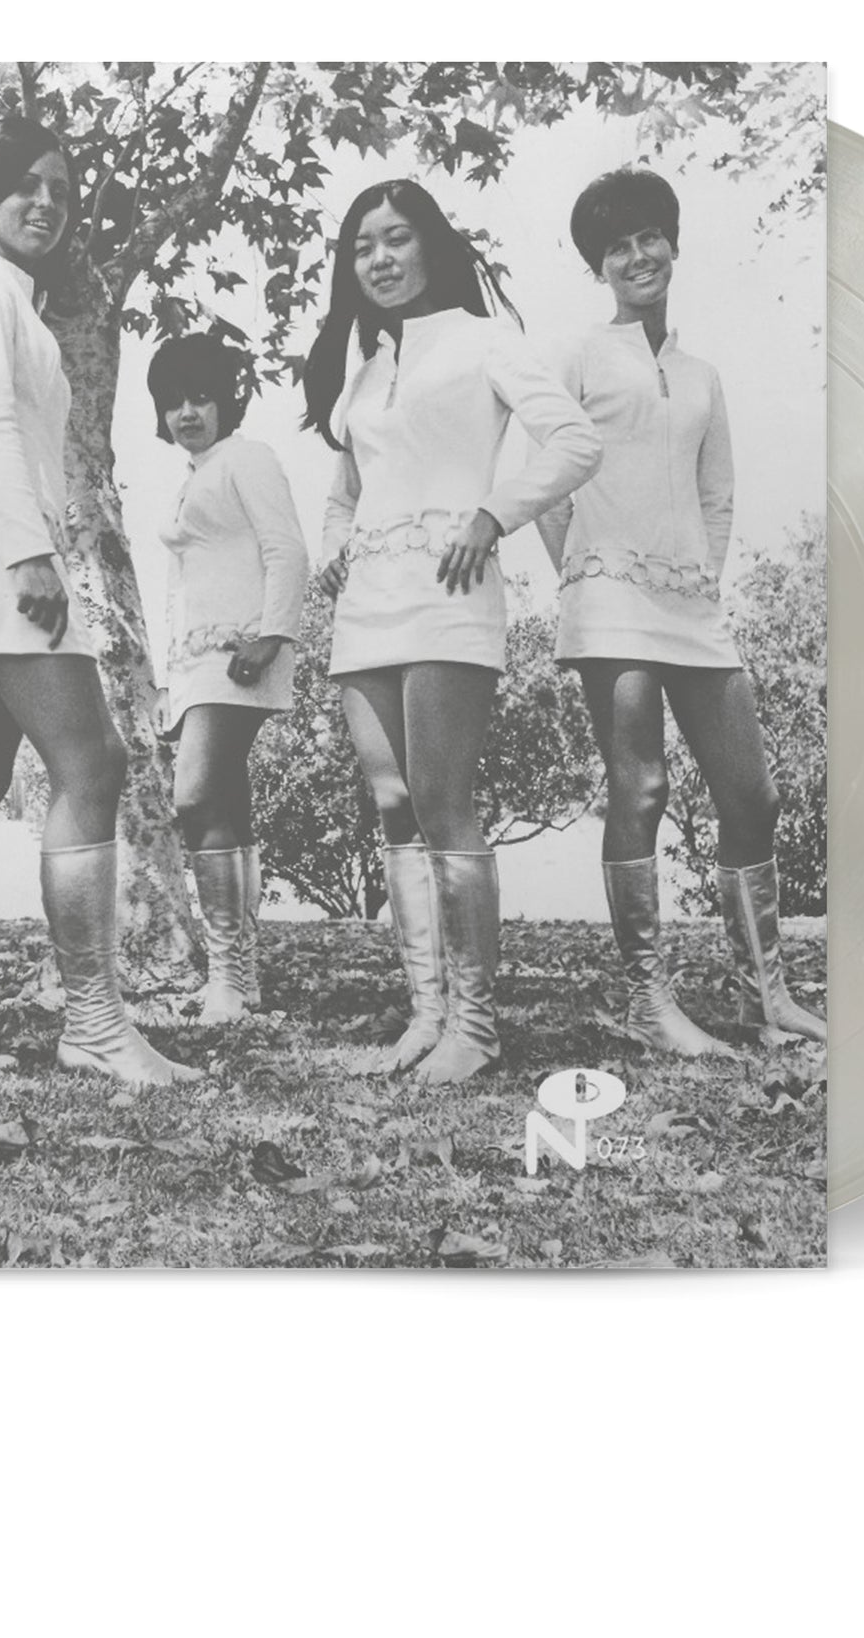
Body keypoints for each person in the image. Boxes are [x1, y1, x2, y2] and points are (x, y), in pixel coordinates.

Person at [0, 116, 199, 1086]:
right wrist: (31, 554)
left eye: (61, 191)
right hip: (0, 551)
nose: (46, 202)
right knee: (93, 761)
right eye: (25, 183)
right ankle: (95, 1024)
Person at [305, 179, 601, 1083]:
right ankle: (426, 1015)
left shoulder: (484, 341)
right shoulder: (364, 369)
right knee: (393, 802)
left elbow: (575, 442)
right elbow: (347, 489)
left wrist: (493, 514)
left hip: (448, 592)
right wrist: (335, 551)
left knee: (442, 800)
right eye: (363, 246)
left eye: (397, 238)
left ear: (430, 246)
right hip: (368, 606)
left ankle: (475, 1026)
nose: (381, 258)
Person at [539, 167, 824, 1045]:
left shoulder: (702, 375)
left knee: (753, 795)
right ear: (598, 266)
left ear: (672, 242)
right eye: (616, 247)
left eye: (649, 237)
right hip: (608, 601)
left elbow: (718, 496)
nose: (637, 257)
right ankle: (648, 1004)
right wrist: (587, 576)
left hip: (691, 608)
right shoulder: (579, 359)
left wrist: (697, 575)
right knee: (642, 787)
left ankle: (764, 999)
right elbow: (546, 483)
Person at [150, 334, 309, 1023]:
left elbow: (287, 549)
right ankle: (238, 981)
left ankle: (228, 978)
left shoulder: (249, 457)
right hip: (195, 666)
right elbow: (182, 589)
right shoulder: (193, 474)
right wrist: (168, 680)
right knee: (223, 808)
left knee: (194, 797)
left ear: (225, 401)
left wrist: (272, 635)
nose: (187, 413)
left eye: (200, 397)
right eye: (173, 402)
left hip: (241, 654)